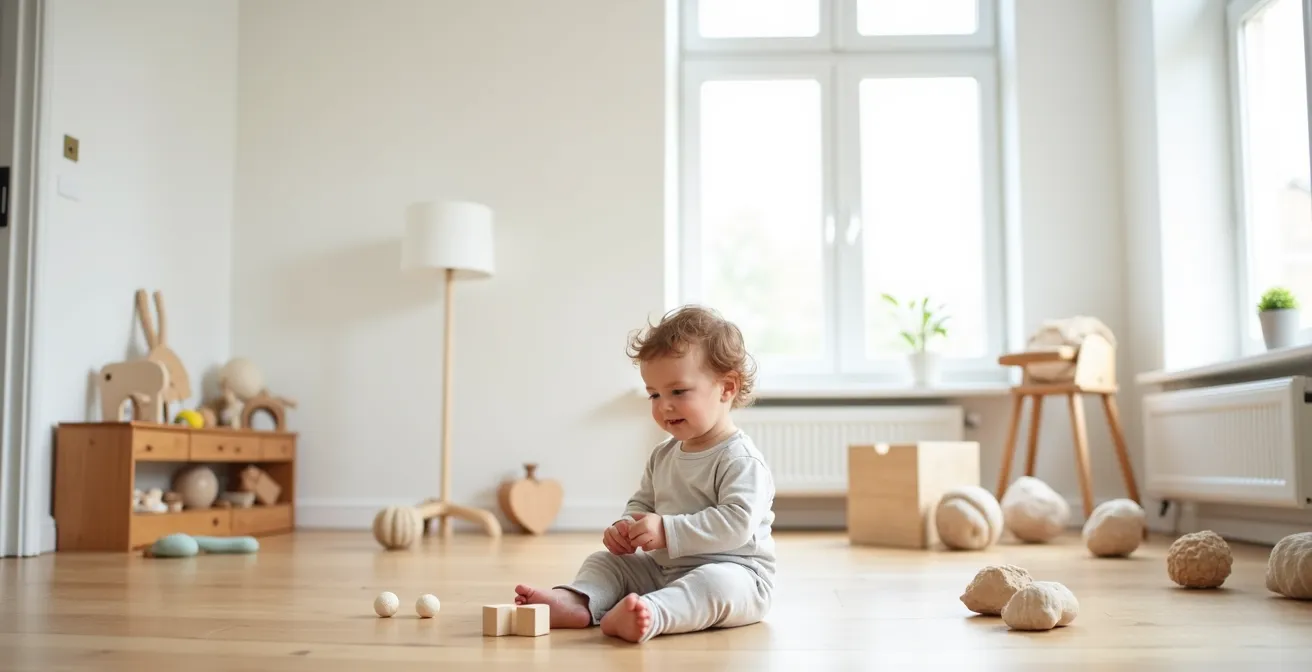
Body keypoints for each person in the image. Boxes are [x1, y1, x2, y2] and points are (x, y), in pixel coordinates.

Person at [512, 305, 777, 643]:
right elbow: (643, 502)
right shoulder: (663, 454)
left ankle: (651, 613)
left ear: (726, 388)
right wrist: (627, 526)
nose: (663, 405)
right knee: (606, 562)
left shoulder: (740, 459)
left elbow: (736, 524)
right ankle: (579, 600)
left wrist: (666, 530)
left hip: (739, 576)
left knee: (712, 584)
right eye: (654, 394)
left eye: (678, 392)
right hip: (664, 569)